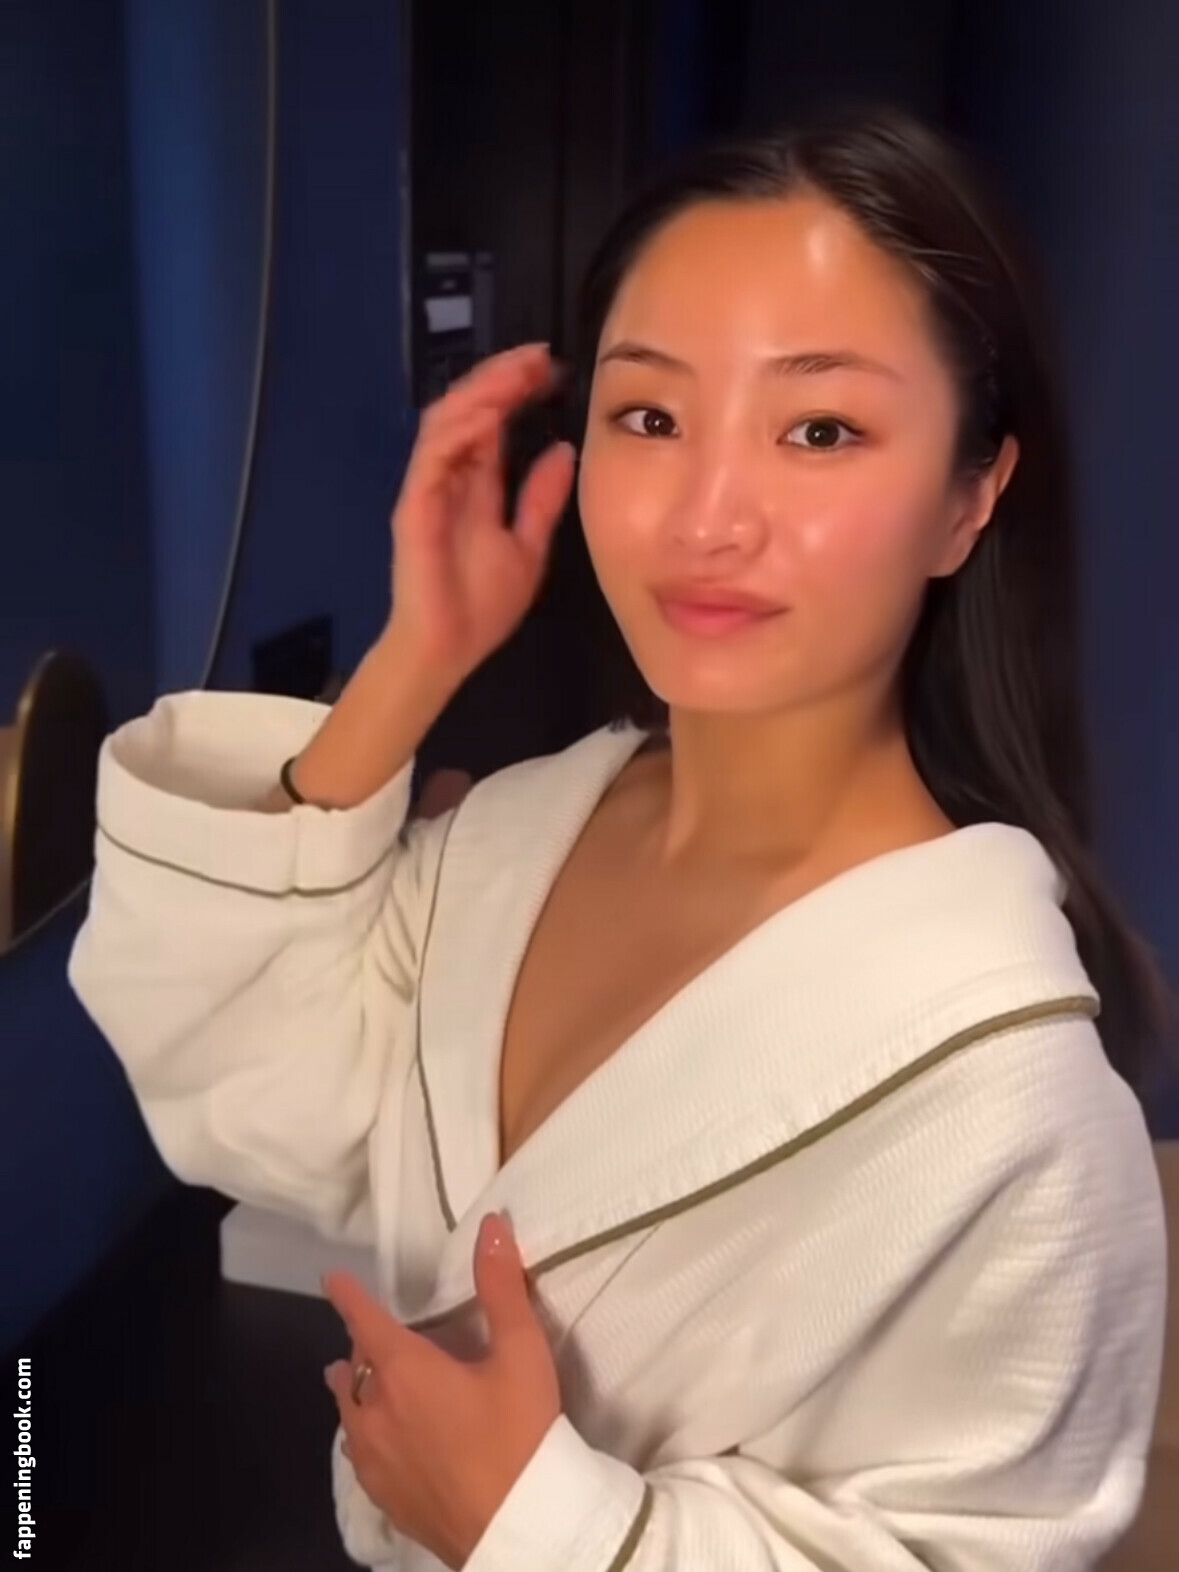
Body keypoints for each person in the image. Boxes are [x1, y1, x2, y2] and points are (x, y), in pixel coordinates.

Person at [69, 108, 1171, 1572]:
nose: (705, 518)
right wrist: (412, 660)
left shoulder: (1015, 1103)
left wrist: (534, 1528)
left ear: (969, 499)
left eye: (821, 430)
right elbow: (224, 1070)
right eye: (649, 418)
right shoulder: (513, 840)